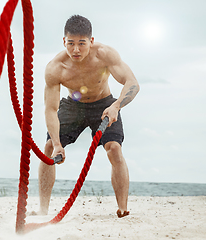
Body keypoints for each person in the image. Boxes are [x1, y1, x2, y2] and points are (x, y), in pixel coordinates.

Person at [38, 15, 139, 218]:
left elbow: (132, 83)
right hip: (73, 106)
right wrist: (57, 143)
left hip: (104, 104)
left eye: (82, 44)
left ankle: (122, 209)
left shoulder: (104, 55)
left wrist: (116, 106)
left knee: (115, 149)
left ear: (91, 41)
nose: (76, 50)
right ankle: (43, 210)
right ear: (63, 41)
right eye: (71, 43)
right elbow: (50, 109)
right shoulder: (55, 68)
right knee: (49, 148)